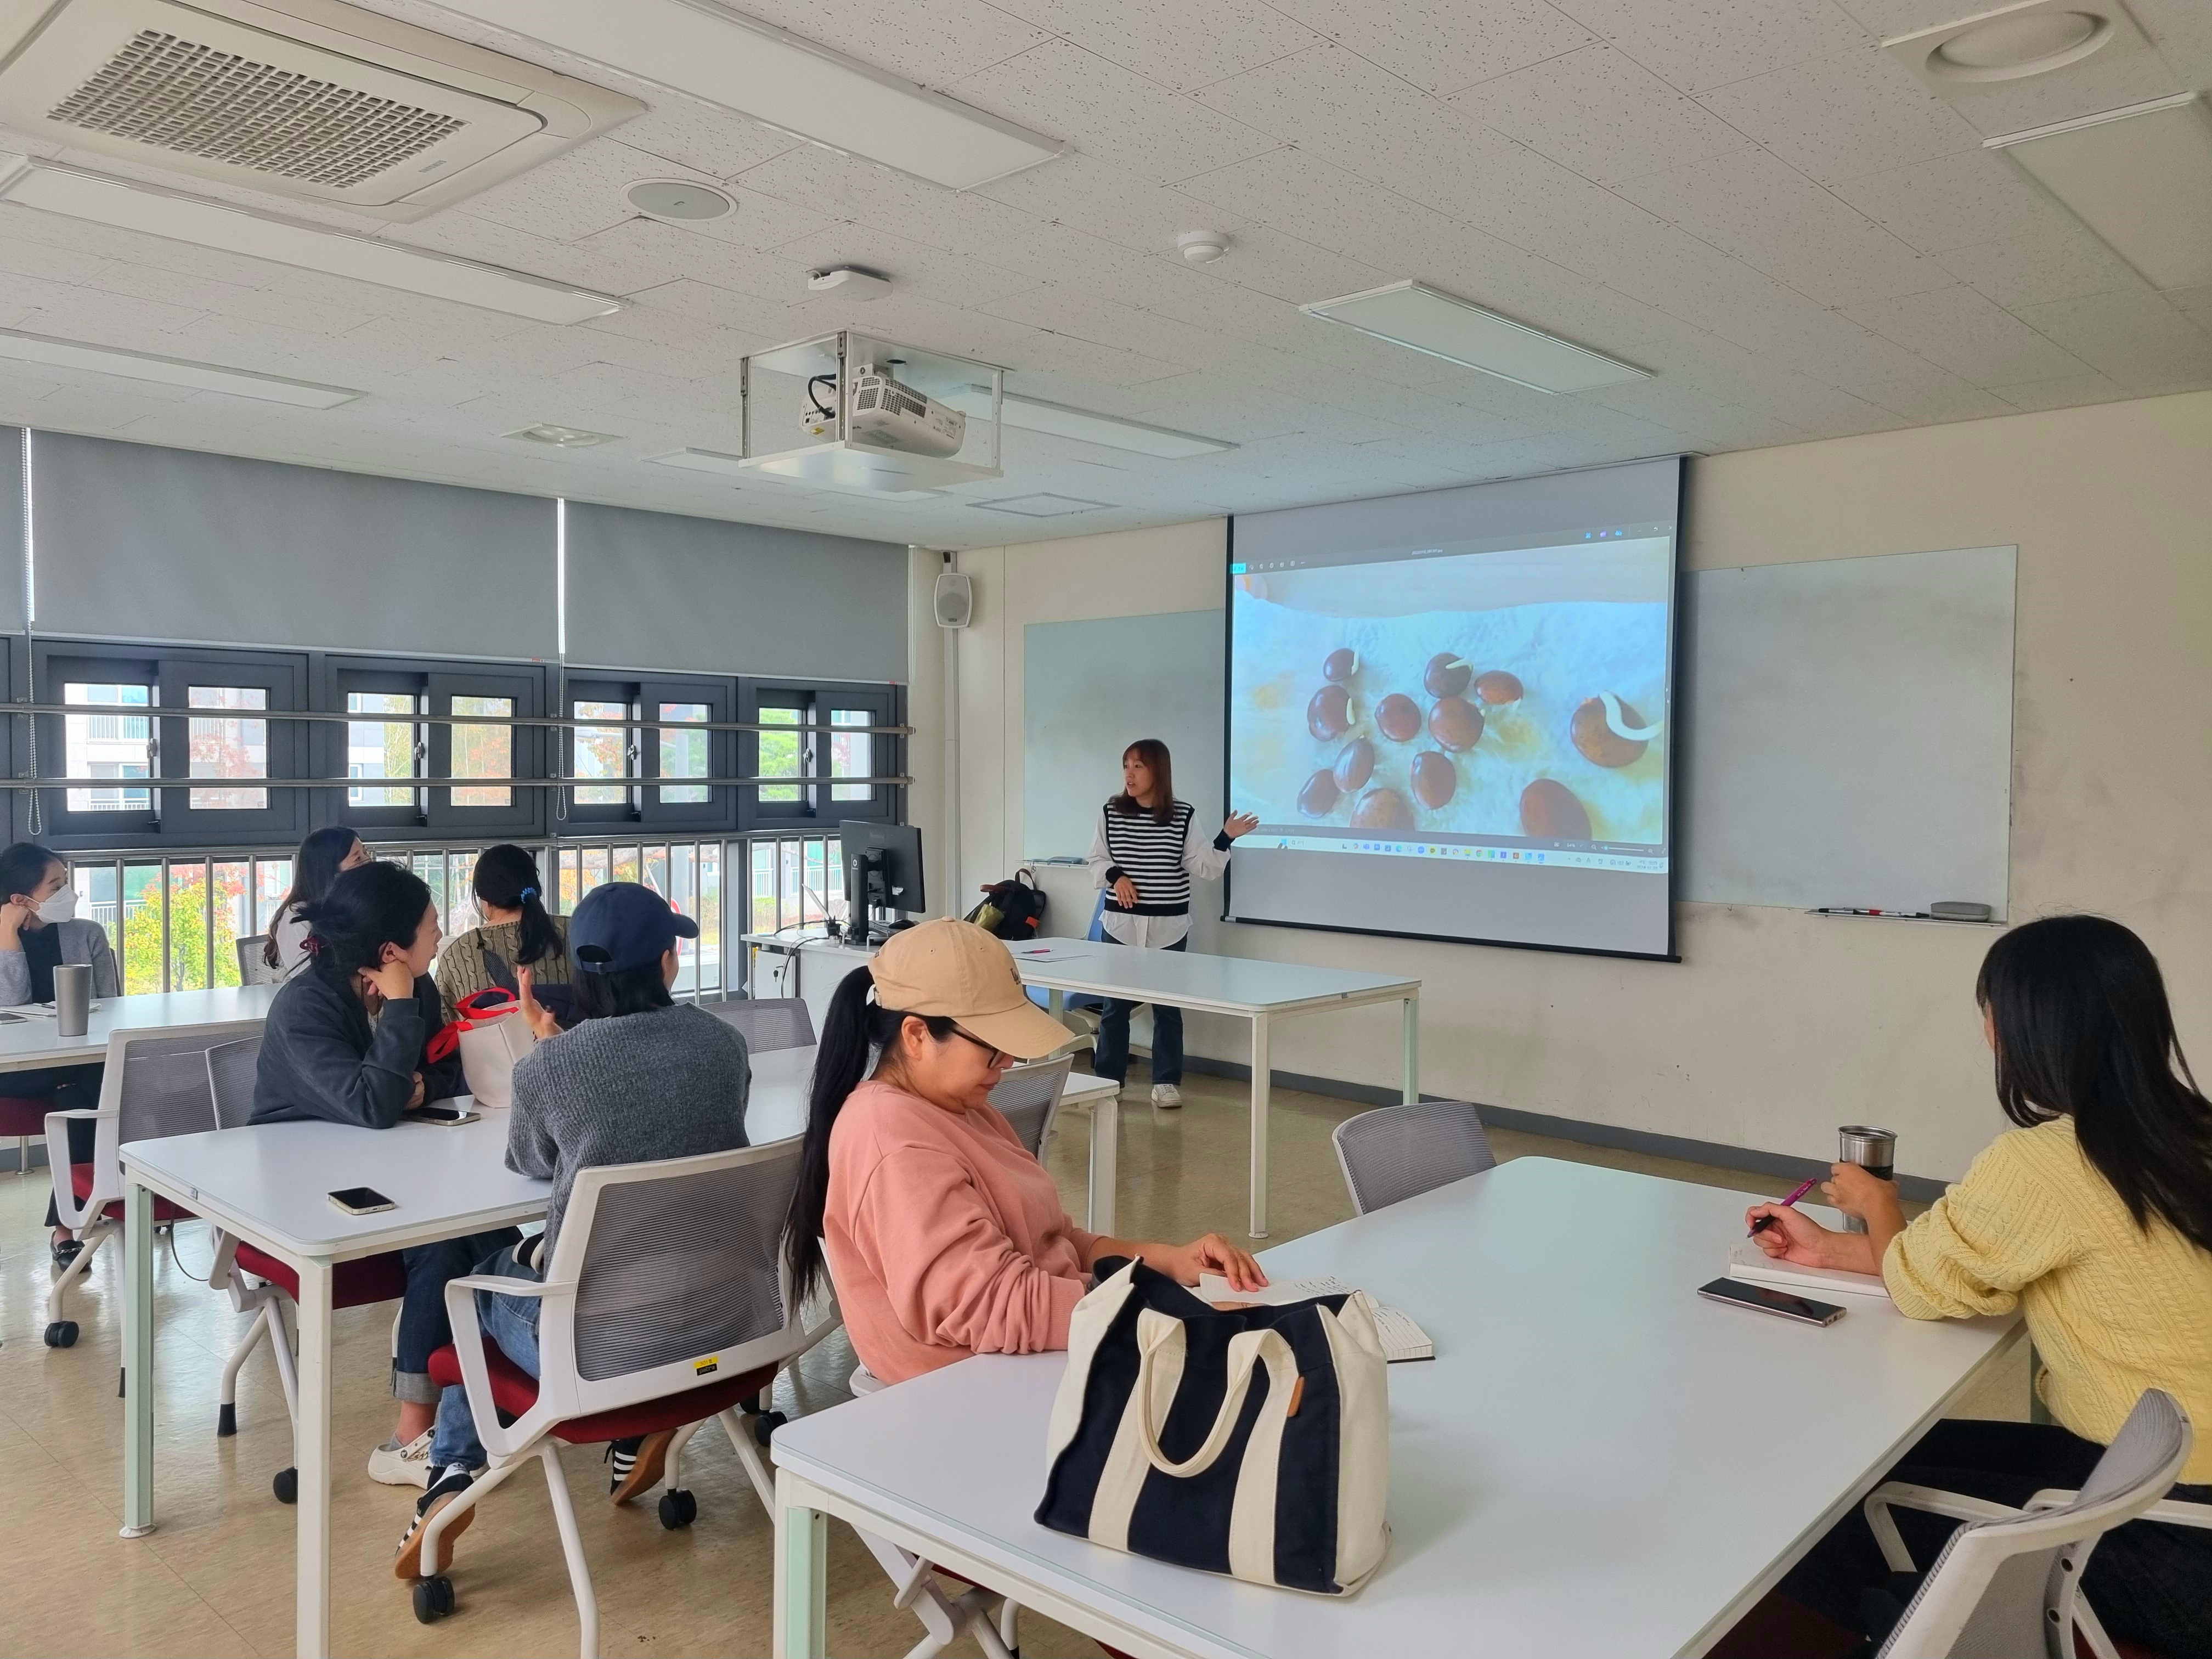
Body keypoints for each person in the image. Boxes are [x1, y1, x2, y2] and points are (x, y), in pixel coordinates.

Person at [1746, 915, 2212, 1657]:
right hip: (2159, 1477)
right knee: (1874, 1460)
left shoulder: (2044, 1162)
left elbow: (1922, 1287)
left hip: (2164, 1534)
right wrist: (1831, 1248)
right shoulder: (2186, 1130)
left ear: (2019, 1031)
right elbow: (1972, 1263)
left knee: (1800, 1515)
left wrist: (1878, 1206)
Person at [396, 882, 752, 1577]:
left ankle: (451, 1471)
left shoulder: (551, 1069)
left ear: (581, 973)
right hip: (722, 1317)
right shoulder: (724, 1044)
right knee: (562, 1261)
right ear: (668, 962)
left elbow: (531, 1161)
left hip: (599, 1344)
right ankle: (635, 1434)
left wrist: (549, 1051)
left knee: (478, 1284)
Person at [783, 917, 1266, 1389]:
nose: (1009, 1060)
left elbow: (1056, 1241)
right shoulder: (892, 1140)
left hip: (1037, 1349)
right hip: (976, 1386)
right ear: (916, 1036)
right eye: (991, 1047)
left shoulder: (962, 1108)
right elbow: (993, 1306)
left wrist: (1167, 1262)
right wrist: (1165, 1315)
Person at [250, 860, 518, 1491]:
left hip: (393, 1166)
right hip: (303, 1192)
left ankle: (499, 1391)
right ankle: (410, 1436)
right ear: (391, 949)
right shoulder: (306, 1006)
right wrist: (397, 1018)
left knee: (492, 1235)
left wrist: (408, 1084)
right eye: (431, 925)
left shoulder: (417, 989)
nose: (442, 934)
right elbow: (372, 1104)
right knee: (444, 1239)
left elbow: (445, 1072)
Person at [1085, 739, 1257, 1109]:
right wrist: (1117, 877)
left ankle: (1165, 1082)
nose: (1129, 774)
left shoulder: (1183, 815)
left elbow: (1203, 866)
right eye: (1126, 766)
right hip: (1120, 925)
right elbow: (1097, 859)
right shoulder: (1111, 812)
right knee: (1115, 1007)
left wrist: (1226, 837)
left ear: (1158, 772)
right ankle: (1109, 1081)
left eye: (1138, 766)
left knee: (1167, 1007)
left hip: (1169, 928)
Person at [0, 843, 120, 1262]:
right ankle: (75, 1219)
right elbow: (8, 1009)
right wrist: (8, 938)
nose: (68, 893)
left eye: (66, 882)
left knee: (84, 1084)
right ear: (20, 899)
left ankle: (67, 1225)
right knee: (87, 1085)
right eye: (56, 886)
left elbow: (113, 1005)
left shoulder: (86, 934)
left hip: (76, 1062)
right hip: (16, 1069)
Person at [434, 843, 571, 1025]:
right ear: (535, 886)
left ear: (483, 897)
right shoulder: (575, 931)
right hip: (576, 1044)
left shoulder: (458, 954)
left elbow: (445, 1026)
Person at [262, 827, 368, 978]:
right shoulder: (297, 919)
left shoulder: (357, 906)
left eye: (366, 853)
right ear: (329, 871)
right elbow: (313, 980)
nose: (369, 862)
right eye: (358, 859)